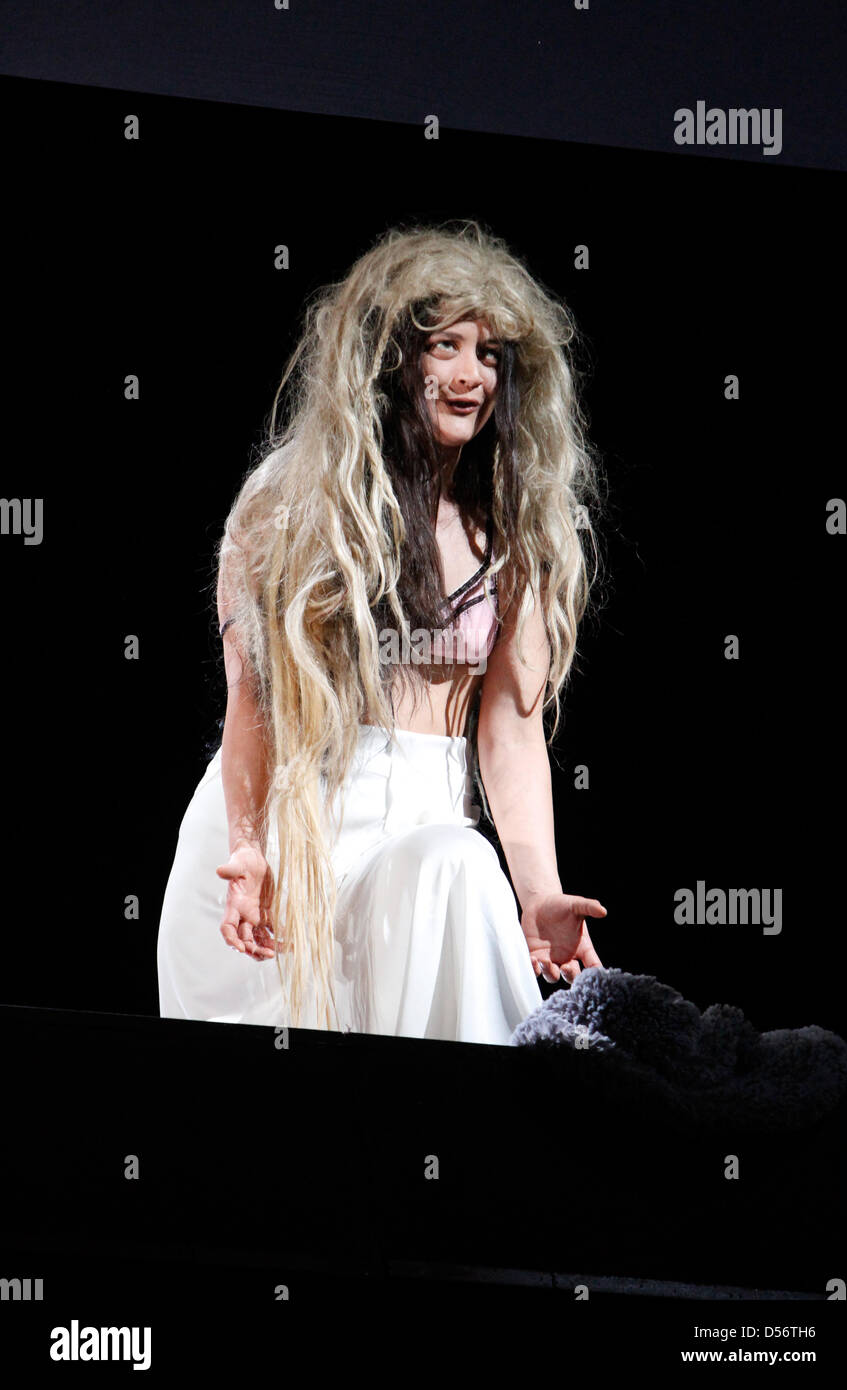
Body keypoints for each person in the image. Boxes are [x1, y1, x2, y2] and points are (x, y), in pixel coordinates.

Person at [156, 220, 609, 1043]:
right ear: (389, 357)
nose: (472, 374)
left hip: (423, 838)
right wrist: (251, 847)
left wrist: (538, 892)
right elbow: (250, 704)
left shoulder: (514, 531)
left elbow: (510, 730)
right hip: (289, 840)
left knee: (463, 869)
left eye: (492, 354)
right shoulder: (287, 508)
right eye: (445, 346)